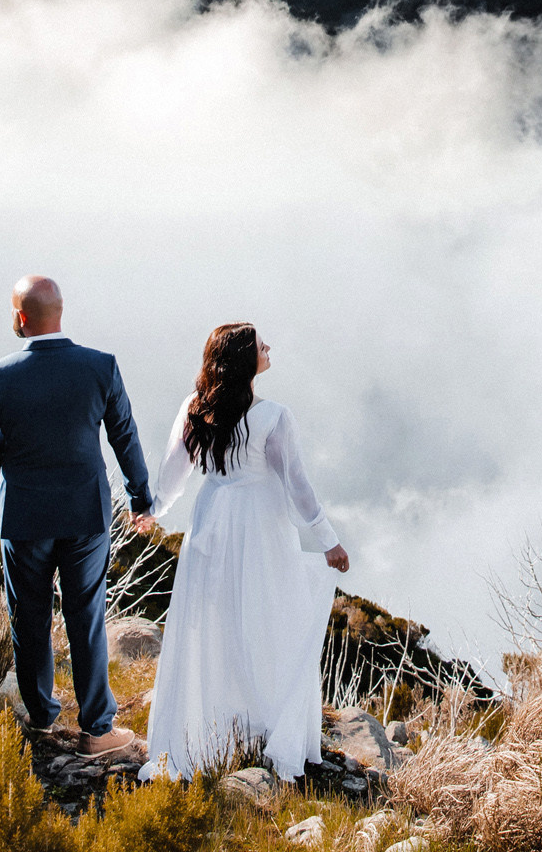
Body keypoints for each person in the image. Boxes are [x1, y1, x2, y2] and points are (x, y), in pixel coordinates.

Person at [138, 323, 349, 780]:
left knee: (211, 621)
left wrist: (154, 509)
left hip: (211, 520)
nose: (268, 347)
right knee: (270, 618)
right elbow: (298, 485)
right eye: (259, 345)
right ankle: (264, 722)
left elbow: (174, 473)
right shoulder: (273, 416)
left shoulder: (197, 408)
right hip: (260, 526)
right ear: (241, 359)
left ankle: (209, 725)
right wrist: (327, 539)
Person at [0, 275, 152, 758]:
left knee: (28, 617)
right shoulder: (100, 366)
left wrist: (20, 444)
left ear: (21, 318)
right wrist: (141, 498)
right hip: (84, 512)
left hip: (24, 514)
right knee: (85, 614)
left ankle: (43, 718)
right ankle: (97, 729)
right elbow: (124, 436)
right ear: (60, 314)